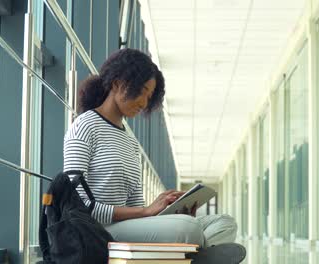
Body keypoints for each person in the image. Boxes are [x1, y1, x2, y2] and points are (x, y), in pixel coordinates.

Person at [63, 48, 245, 263]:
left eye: (149, 97)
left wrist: (164, 211)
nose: (144, 102)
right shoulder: (85, 126)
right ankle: (192, 256)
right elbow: (77, 204)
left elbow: (137, 206)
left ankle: (191, 256)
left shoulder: (130, 142)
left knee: (224, 223)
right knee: (187, 228)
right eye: (141, 92)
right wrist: (146, 212)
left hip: (124, 227)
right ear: (117, 83)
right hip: (96, 230)